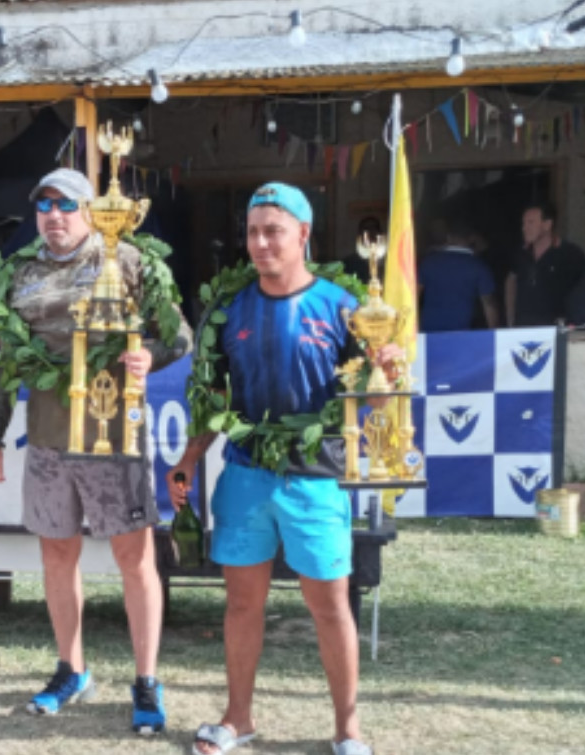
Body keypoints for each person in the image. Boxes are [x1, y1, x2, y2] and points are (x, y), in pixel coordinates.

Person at [170, 183, 389, 755]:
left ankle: (347, 730)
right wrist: (190, 459)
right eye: (252, 231)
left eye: (274, 230)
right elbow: (212, 398)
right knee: (242, 604)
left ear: (303, 235)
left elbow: (378, 402)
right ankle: (237, 720)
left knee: (330, 607)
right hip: (243, 476)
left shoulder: (344, 308)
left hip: (316, 476)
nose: (261, 243)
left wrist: (386, 369)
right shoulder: (228, 308)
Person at [0, 168, 193, 735]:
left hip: (113, 437)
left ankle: (146, 680)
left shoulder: (130, 261)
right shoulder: (20, 275)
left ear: (91, 210)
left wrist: (147, 354)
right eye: (43, 204)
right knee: (56, 557)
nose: (53, 215)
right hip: (48, 441)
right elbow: (6, 362)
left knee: (134, 560)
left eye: (65, 204)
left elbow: (181, 337)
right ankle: (71, 669)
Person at [506, 202, 585, 327]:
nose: (524, 228)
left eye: (530, 222)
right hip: (522, 328)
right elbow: (511, 280)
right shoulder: (521, 253)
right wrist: (510, 318)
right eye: (523, 223)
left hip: (558, 329)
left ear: (547, 225)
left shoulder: (570, 254)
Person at [418, 218, 499, 332]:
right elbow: (489, 304)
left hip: (428, 334)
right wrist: (494, 334)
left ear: (449, 237)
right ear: (471, 239)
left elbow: (412, 297)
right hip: (462, 335)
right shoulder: (479, 266)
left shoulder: (428, 262)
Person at [339, 216, 382, 284]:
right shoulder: (348, 264)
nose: (370, 232)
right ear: (360, 234)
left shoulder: (390, 262)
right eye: (366, 229)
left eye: (374, 228)